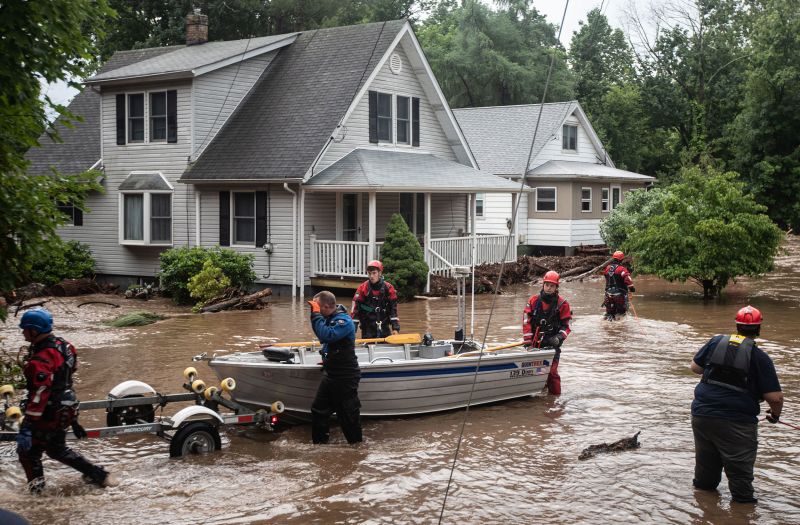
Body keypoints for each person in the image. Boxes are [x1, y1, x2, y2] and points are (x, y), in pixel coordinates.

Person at [16, 308, 117, 494]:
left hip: (49, 411)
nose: (22, 332)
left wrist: (28, 425)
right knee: (56, 449)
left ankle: (36, 493)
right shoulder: (66, 346)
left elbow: (41, 391)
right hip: (67, 406)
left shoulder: (40, 359)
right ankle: (98, 475)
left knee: (28, 453)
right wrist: (74, 420)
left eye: (25, 329)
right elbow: (70, 372)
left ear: (34, 331)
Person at [690, 305, 784, 504]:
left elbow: (695, 368)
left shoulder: (716, 342)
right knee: (741, 482)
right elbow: (775, 398)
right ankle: (741, 515)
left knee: (705, 478)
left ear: (737, 325)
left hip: (702, 415)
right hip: (737, 423)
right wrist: (775, 416)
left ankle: (704, 511)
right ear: (758, 328)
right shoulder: (760, 358)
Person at [308, 291, 363, 444]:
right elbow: (326, 341)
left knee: (347, 416)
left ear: (326, 307)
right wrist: (327, 359)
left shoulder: (344, 321)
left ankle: (357, 450)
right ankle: (319, 446)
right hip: (331, 374)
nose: (316, 311)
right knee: (318, 409)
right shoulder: (330, 318)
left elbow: (326, 335)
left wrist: (315, 315)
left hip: (346, 376)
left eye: (318, 308)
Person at [522, 270, 572, 395]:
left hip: (552, 345)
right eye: (547, 285)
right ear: (543, 284)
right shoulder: (533, 300)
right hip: (535, 345)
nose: (549, 288)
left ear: (556, 287)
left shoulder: (563, 304)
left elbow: (566, 326)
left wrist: (559, 337)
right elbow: (526, 321)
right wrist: (528, 342)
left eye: (552, 286)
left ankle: (555, 399)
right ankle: (540, 395)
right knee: (536, 372)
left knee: (552, 373)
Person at [351, 260, 400, 338]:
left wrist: (395, 328)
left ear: (380, 273)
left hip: (384, 327)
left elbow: (393, 310)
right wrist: (353, 331)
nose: (371, 276)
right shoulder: (362, 289)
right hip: (367, 328)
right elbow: (355, 311)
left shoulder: (389, 288)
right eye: (369, 273)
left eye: (374, 273)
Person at [602, 250, 635, 321]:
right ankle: (620, 330)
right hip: (619, 295)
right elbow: (628, 279)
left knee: (609, 314)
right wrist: (631, 288)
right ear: (622, 259)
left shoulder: (607, 268)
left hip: (608, 294)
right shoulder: (622, 269)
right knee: (621, 313)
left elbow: (606, 277)